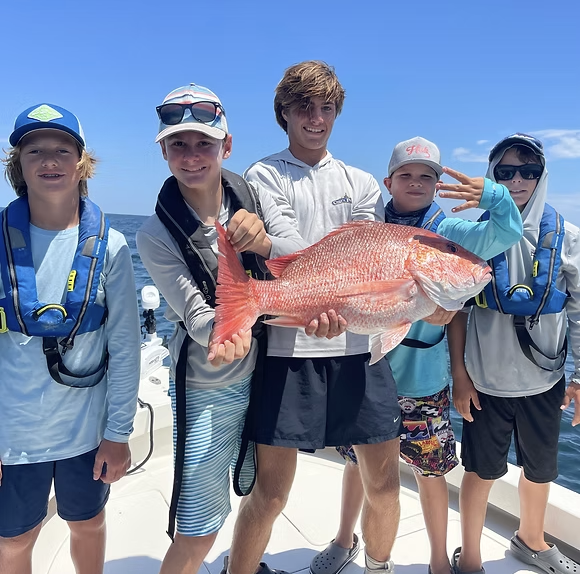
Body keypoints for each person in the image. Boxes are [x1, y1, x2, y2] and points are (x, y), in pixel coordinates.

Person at [313, 136, 523, 574]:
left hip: (423, 380)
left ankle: (437, 562)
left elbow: (506, 231)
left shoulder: (449, 235)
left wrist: (492, 193)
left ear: (437, 183)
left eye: (426, 176)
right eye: (405, 175)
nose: (415, 183)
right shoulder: (370, 223)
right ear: (388, 181)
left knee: (431, 473)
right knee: (356, 464)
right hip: (366, 375)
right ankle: (343, 537)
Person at [136, 83, 312, 574]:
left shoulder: (252, 195)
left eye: (204, 144)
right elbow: (195, 315)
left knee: (266, 491)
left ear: (226, 147)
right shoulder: (154, 235)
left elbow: (298, 255)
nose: (192, 156)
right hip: (210, 385)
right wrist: (225, 332)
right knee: (200, 527)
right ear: (164, 151)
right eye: (178, 144)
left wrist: (267, 243)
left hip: (268, 372)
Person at [0, 104, 141, 574]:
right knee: (14, 540)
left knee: (88, 523)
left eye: (62, 149)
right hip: (12, 437)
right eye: (34, 150)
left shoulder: (113, 246)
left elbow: (125, 349)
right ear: (16, 164)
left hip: (86, 434)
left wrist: (118, 435)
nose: (49, 160)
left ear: (82, 163)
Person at [450, 133, 580, 574]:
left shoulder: (568, 238)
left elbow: (579, 311)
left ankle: (532, 539)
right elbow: (457, 312)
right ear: (492, 176)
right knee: (480, 471)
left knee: (541, 471)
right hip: (485, 381)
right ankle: (469, 556)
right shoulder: (474, 235)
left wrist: (579, 378)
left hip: (546, 380)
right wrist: (460, 377)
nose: (518, 180)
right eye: (506, 172)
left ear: (542, 176)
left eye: (529, 171)